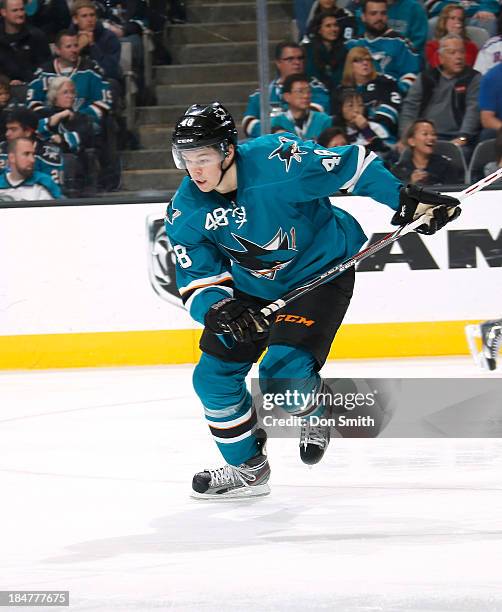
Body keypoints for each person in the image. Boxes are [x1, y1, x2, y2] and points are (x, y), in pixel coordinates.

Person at [165, 101, 461, 499]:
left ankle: (316, 410)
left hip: (319, 273)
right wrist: (220, 308)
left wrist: (402, 199)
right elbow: (195, 280)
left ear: (229, 150)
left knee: (281, 377)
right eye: (186, 159)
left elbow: (351, 164)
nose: (195, 170)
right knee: (211, 379)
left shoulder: (279, 162)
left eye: (204, 157)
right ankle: (247, 469)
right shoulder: (185, 209)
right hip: (251, 291)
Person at [399, 34, 481, 151]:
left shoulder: (473, 78)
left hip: (457, 138)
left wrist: (463, 138)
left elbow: (473, 110)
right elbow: (410, 107)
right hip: (424, 137)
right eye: (452, 53)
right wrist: (406, 137)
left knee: (461, 153)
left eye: (461, 52)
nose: (458, 57)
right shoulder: (426, 77)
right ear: (441, 57)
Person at [242, 41, 330, 138]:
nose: (297, 62)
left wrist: (276, 125)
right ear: (278, 63)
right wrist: (274, 130)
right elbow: (248, 124)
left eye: (300, 58)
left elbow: (315, 121)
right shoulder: (261, 95)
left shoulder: (317, 89)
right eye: (290, 59)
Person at [344, 0, 421, 93]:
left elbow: (411, 75)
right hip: (357, 100)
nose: (379, 18)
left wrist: (396, 93)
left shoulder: (401, 43)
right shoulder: (352, 44)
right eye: (373, 13)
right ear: (363, 17)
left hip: (390, 98)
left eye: (383, 13)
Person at [334, 46, 402, 145]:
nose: (365, 63)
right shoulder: (340, 90)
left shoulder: (386, 83)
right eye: (358, 60)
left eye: (368, 59)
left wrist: (365, 127)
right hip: (347, 136)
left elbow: (389, 119)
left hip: (381, 135)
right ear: (350, 65)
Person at [0, 107, 64, 186]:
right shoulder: (2, 149)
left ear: (27, 132)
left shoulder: (49, 154)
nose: (7, 134)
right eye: (7, 129)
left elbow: (53, 190)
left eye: (13, 129)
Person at [390, 119, 463, 184]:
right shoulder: (399, 169)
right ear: (411, 141)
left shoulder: (446, 166)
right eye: (425, 134)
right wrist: (411, 183)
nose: (431, 138)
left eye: (433, 134)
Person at [0, 0, 51, 83]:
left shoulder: (37, 36)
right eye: (15, 10)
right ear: (3, 12)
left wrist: (26, 82)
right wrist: (6, 83)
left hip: (31, 88)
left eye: (22, 9)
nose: (20, 14)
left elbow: (45, 66)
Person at [270, 73, 333, 140]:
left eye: (308, 91)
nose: (306, 96)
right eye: (300, 91)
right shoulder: (276, 122)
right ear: (286, 97)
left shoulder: (324, 121)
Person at [0, 136, 62, 200]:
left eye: (33, 154)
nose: (32, 160)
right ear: (12, 158)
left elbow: (59, 208)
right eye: (26, 154)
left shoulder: (44, 182)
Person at [332, 88, 390, 154]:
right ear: (340, 109)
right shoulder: (334, 130)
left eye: (360, 105)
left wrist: (366, 129)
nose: (356, 110)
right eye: (350, 106)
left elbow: (385, 152)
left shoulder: (376, 127)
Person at [302, 11, 348, 90]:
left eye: (335, 25)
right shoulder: (308, 50)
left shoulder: (344, 49)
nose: (333, 29)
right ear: (319, 30)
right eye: (328, 26)